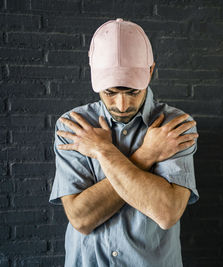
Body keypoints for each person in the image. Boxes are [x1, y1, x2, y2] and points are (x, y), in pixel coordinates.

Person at [48, 18, 199, 267]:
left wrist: (101, 151)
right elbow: (81, 219)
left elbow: (166, 212)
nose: (122, 105)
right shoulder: (74, 126)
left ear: (150, 71)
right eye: (110, 92)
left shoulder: (175, 126)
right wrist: (145, 155)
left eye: (132, 92)